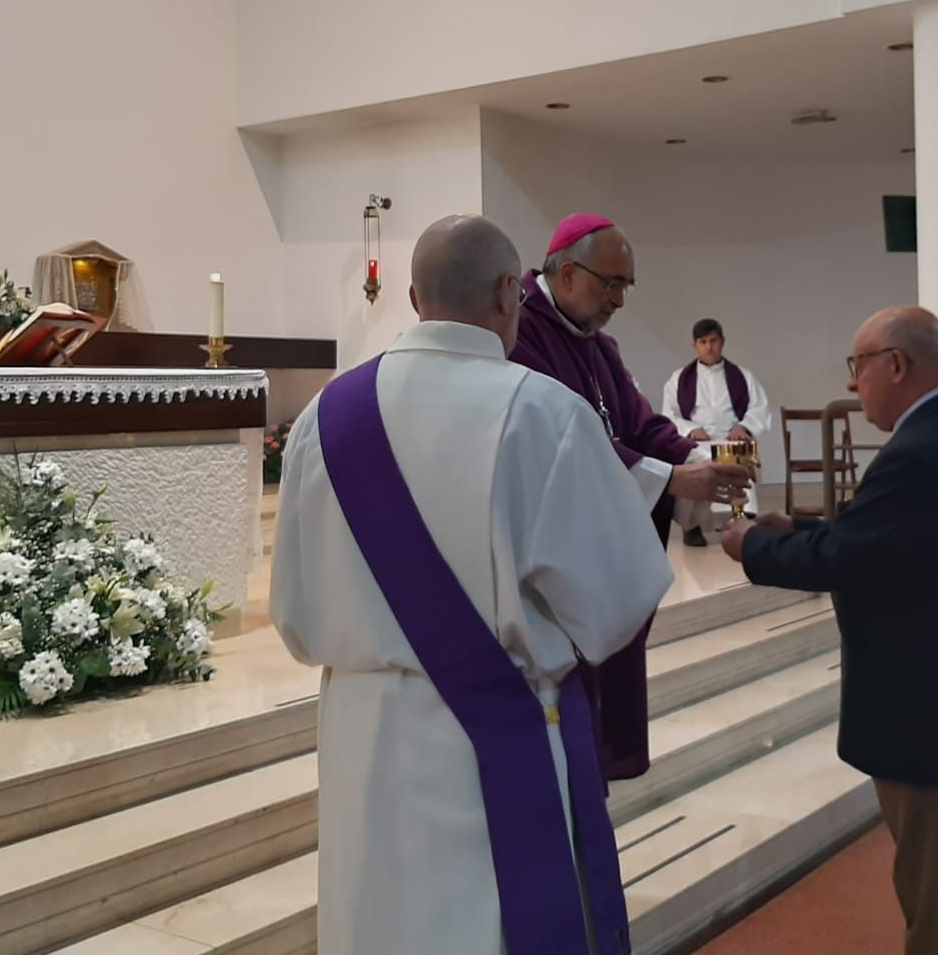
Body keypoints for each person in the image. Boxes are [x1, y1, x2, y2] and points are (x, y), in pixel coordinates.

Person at [271, 215, 673, 955]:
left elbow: (293, 610)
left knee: (378, 923)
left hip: (364, 737)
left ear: (417, 300)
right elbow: (617, 601)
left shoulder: (323, 418)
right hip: (496, 734)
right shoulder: (544, 413)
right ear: (506, 294)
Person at [720, 306, 938, 955]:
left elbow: (851, 559)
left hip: (935, 723)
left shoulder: (919, 452)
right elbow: (894, 542)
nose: (853, 384)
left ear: (896, 364)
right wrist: (802, 530)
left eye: (857, 366)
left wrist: (752, 546)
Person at [510, 213, 751, 779]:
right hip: (553, 563)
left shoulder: (597, 345)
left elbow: (640, 426)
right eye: (610, 283)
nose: (619, 299)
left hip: (600, 554)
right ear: (567, 273)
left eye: (626, 286)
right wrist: (669, 480)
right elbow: (558, 448)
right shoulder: (521, 335)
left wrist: (699, 461)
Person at [661, 317, 773, 546]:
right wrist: (691, 430)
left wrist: (744, 426)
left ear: (722, 342)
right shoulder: (678, 379)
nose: (709, 347)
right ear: (695, 346)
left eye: (713, 341)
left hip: (730, 438)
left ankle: (743, 517)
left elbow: (758, 407)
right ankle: (691, 526)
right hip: (697, 443)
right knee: (690, 462)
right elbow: (668, 415)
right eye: (703, 342)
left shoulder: (743, 376)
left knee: (741, 454)